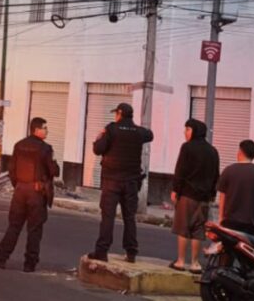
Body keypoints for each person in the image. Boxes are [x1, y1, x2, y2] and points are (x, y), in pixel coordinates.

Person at [87, 102, 154, 263]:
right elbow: (150, 134)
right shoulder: (138, 132)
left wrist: (100, 136)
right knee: (129, 217)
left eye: (116, 114)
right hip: (131, 182)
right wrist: (135, 128)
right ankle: (131, 252)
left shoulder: (111, 129)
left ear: (120, 113)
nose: (115, 117)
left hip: (112, 181)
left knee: (108, 216)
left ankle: (102, 251)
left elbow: (98, 149)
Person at [0, 117, 60, 272]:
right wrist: (54, 163)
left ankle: (1, 258)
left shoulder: (19, 145)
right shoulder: (46, 149)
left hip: (20, 190)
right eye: (45, 128)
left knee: (14, 226)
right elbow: (54, 171)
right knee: (34, 229)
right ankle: (30, 264)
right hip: (36, 192)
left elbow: (12, 170)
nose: (47, 131)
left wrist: (19, 185)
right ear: (36, 130)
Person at [169, 119, 219, 273]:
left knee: (183, 227)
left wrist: (175, 190)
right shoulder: (213, 151)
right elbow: (216, 174)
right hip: (204, 197)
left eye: (187, 129)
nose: (185, 132)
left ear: (194, 131)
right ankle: (195, 263)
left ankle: (181, 261)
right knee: (198, 230)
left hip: (187, 195)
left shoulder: (187, 148)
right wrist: (212, 194)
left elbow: (180, 170)